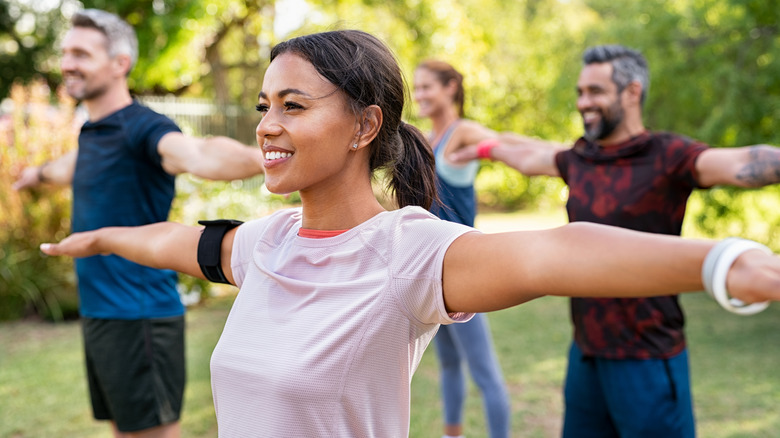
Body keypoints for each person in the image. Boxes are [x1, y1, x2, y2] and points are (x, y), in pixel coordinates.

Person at [38, 31, 780, 438]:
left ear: (365, 125)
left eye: (293, 105)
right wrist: (102, 237)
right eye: (265, 105)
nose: (267, 125)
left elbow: (557, 252)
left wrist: (726, 262)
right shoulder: (268, 246)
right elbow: (177, 241)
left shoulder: (409, 254)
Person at [451, 44, 780, 437]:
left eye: (595, 92)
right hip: (586, 357)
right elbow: (528, 155)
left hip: (648, 359)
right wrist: (483, 149)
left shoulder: (668, 155)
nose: (583, 102)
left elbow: (742, 162)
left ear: (632, 92)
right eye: (580, 92)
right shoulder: (578, 157)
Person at [13, 9, 263, 438]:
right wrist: (35, 176)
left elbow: (197, 154)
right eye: (66, 52)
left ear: (119, 63)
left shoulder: (143, 128)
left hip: (139, 315)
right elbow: (69, 167)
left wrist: (265, 159)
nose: (67, 62)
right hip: (102, 314)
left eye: (81, 53)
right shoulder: (95, 132)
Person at [413, 60, 510, 438]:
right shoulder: (426, 139)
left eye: (427, 87)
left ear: (451, 87)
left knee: (484, 372)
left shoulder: (463, 132)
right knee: (450, 364)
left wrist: (485, 150)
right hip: (433, 270)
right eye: (417, 88)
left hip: (465, 269)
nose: (419, 95)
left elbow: (505, 144)